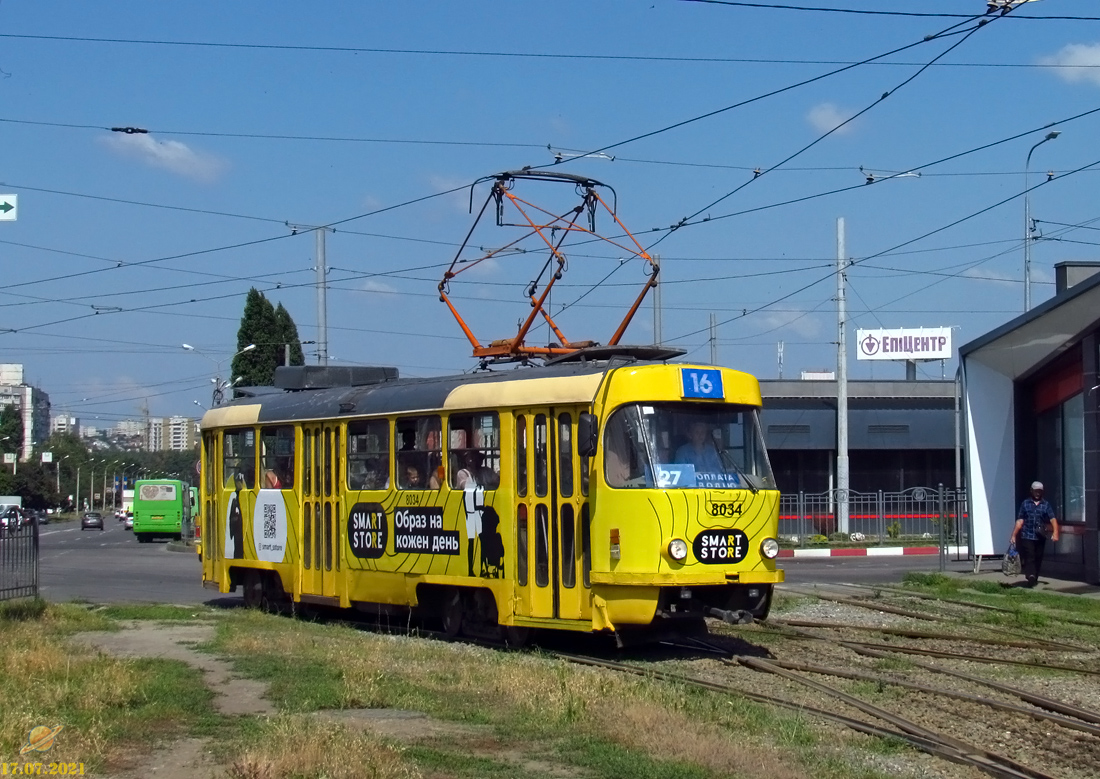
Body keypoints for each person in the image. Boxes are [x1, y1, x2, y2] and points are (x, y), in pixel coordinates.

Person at [1010, 480, 1060, 588]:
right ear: (1031, 491)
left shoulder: (1046, 505)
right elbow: (1020, 521)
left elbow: (1053, 519)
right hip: (1027, 535)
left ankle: (1034, 577)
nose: (1038, 493)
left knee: (1038, 557)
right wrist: (1014, 535)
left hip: (1040, 536)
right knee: (1030, 555)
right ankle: (1030, 575)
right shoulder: (1025, 504)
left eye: (1040, 491)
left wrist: (1056, 533)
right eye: (1036, 491)